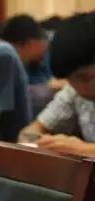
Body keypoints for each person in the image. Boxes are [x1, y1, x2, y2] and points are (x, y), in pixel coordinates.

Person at [18, 13, 95, 155]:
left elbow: (79, 150)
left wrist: (81, 149)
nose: (80, 89)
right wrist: (39, 142)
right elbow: (29, 131)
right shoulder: (73, 91)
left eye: (86, 78)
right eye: (70, 80)